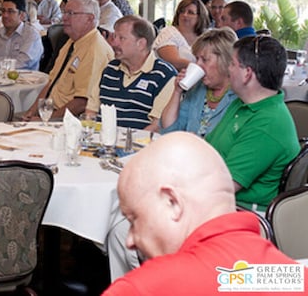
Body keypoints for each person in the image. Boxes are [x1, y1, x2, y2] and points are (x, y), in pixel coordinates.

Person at [103, 131, 305, 296]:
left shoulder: (142, 289)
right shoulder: (293, 278)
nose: (130, 240)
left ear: (172, 202)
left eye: (134, 219)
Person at [206, 35, 300, 212]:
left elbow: (223, 186)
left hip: (242, 213)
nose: (228, 69)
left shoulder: (267, 123)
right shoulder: (242, 104)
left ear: (247, 73)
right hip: (221, 201)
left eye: (232, 64)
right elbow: (208, 148)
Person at [23, 0, 114, 120]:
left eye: (71, 13)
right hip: (49, 112)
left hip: (70, 120)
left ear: (89, 19)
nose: (64, 18)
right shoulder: (72, 42)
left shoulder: (95, 49)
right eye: (64, 12)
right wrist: (31, 112)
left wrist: (48, 120)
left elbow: (82, 102)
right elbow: (51, 83)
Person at [87, 15, 176, 131]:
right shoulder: (110, 69)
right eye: (114, 37)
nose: (114, 43)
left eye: (121, 38)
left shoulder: (165, 75)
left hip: (138, 146)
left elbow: (157, 126)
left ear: (141, 44)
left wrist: (126, 145)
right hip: (100, 142)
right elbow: (91, 112)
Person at [160, 28, 238, 137]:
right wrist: (177, 91)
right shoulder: (197, 89)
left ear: (225, 61)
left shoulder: (239, 94)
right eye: (197, 59)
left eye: (205, 60)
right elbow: (168, 129)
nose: (198, 64)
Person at [0, 0, 43, 70]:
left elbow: (22, 63)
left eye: (10, 11)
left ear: (22, 15)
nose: (5, 15)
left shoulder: (31, 35)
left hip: (23, 79)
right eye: (3, 11)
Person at [153, 0, 211, 70]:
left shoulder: (207, 35)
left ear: (200, 17)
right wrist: (201, 68)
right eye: (182, 11)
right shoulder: (169, 32)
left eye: (190, 12)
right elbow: (174, 62)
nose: (185, 15)